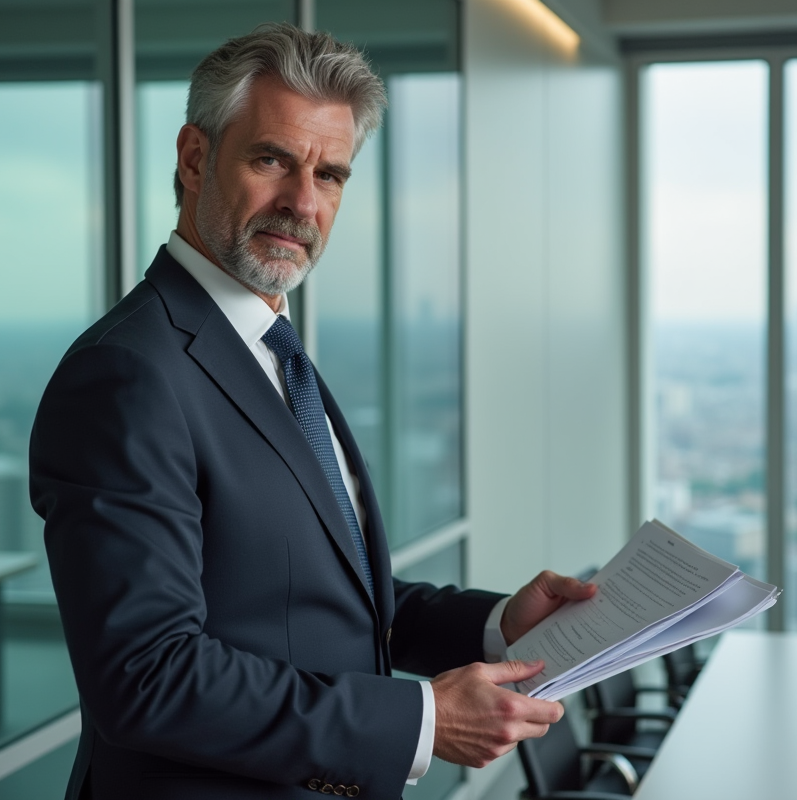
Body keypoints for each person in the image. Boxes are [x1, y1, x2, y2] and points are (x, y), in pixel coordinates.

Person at [29, 22, 595, 800]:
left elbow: (317, 597)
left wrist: (498, 626)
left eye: (331, 175)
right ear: (196, 159)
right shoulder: (127, 374)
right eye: (272, 160)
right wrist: (422, 719)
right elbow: (146, 675)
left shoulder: (270, 348)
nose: (303, 203)